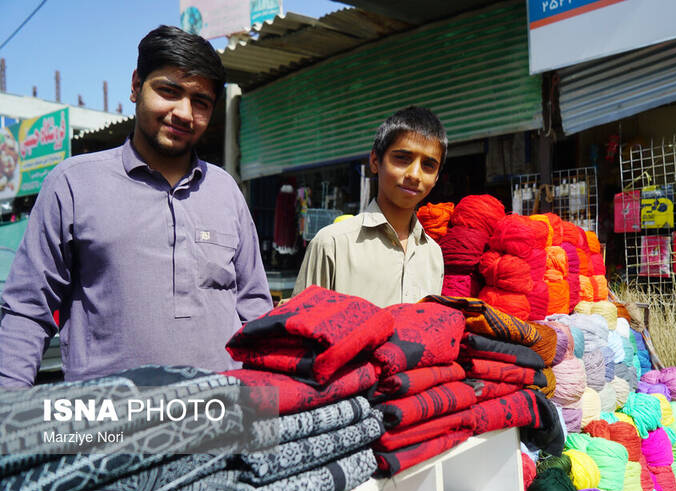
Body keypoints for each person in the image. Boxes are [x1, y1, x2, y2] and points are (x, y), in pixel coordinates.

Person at [0, 26, 273, 388]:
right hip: (109, 427)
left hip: (220, 419)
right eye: (169, 91)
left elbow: (254, 306)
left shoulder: (225, 190)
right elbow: (26, 311)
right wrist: (8, 415)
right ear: (135, 86)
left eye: (200, 102)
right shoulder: (73, 184)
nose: (184, 113)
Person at [293, 106, 446, 307]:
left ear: (435, 178)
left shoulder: (433, 255)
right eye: (402, 158)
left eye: (428, 165)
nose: (414, 175)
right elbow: (299, 328)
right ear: (375, 161)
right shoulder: (332, 244)